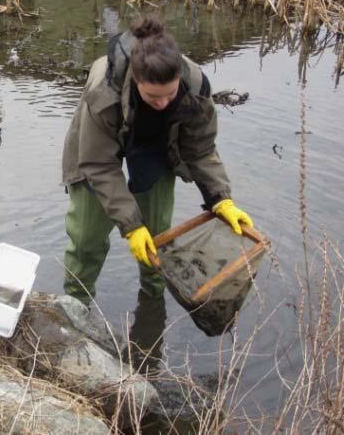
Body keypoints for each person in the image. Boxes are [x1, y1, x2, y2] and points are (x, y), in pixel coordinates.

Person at [61, 16, 253, 305]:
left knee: (157, 234)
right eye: (153, 96)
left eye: (169, 94)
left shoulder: (196, 87)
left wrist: (220, 198)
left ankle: (153, 298)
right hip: (98, 150)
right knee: (86, 238)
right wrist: (130, 225)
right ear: (137, 81)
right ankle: (76, 302)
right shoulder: (103, 92)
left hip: (157, 144)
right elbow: (99, 165)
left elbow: (200, 150)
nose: (163, 103)